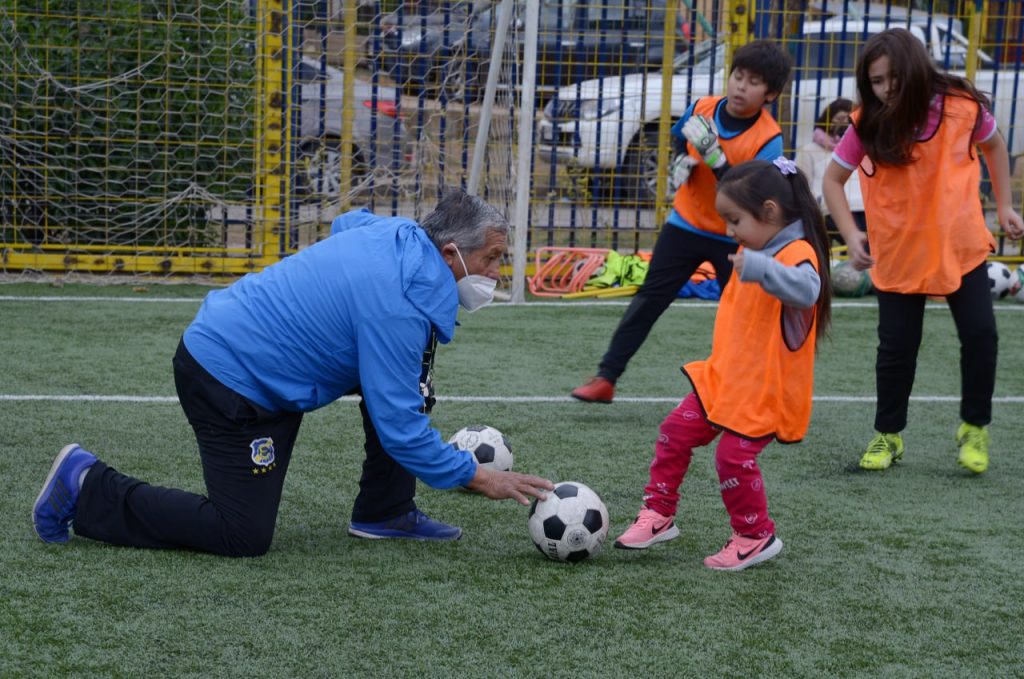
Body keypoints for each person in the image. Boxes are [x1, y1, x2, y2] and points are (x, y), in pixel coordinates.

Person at [31, 189, 554, 556]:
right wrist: (476, 475)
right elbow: (401, 429)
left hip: (260, 366)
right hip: (227, 379)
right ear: (450, 252)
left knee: (409, 379)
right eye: (491, 259)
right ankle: (86, 485)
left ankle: (384, 512)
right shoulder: (398, 308)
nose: (496, 273)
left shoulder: (399, 233)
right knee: (241, 534)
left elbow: (348, 223)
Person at [613, 158, 832, 571]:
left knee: (733, 457)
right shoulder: (754, 246)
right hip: (724, 378)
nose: (730, 231)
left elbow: (808, 290)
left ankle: (755, 535)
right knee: (674, 432)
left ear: (769, 212)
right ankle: (658, 513)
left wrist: (763, 268)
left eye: (735, 220)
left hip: (762, 391)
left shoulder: (796, 252)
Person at [821, 28, 1024, 474]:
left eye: (892, 78)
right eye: (875, 81)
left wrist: (1006, 205)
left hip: (960, 246)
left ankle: (974, 427)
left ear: (915, 70)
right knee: (896, 348)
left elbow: (994, 146)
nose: (885, 89)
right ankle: (888, 434)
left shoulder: (962, 108)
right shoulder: (867, 122)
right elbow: (832, 181)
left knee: (981, 336)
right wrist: (851, 236)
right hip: (899, 252)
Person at [571, 40, 794, 404]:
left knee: (743, 316)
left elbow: (753, 196)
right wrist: (680, 163)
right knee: (649, 299)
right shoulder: (702, 108)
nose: (741, 86)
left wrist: (717, 161)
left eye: (753, 82)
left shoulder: (769, 139)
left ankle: (753, 391)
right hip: (685, 224)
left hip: (734, 238)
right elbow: (679, 138)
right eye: (738, 76)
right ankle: (606, 378)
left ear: (770, 94)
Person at [794, 97, 867, 241]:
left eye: (848, 119)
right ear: (826, 120)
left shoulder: (862, 149)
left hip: (862, 207)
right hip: (828, 209)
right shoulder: (809, 150)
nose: (844, 123)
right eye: (839, 119)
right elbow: (801, 183)